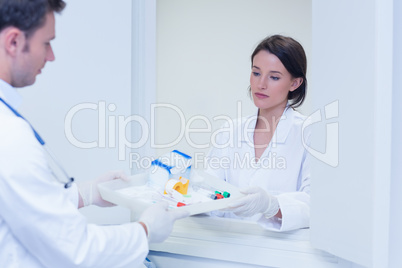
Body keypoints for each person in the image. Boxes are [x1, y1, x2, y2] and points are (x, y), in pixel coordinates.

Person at [0, 0, 188, 267]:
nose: (51, 55)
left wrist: (86, 194)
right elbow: (74, 249)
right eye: (46, 43)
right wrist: (145, 230)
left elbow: (20, 202)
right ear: (14, 42)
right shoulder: (9, 136)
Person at [206, 35, 310, 232]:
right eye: (256, 73)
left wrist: (272, 205)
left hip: (280, 255)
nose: (261, 84)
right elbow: (211, 192)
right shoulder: (230, 131)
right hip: (225, 250)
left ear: (294, 83)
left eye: (274, 77)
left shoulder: (309, 134)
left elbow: (315, 206)